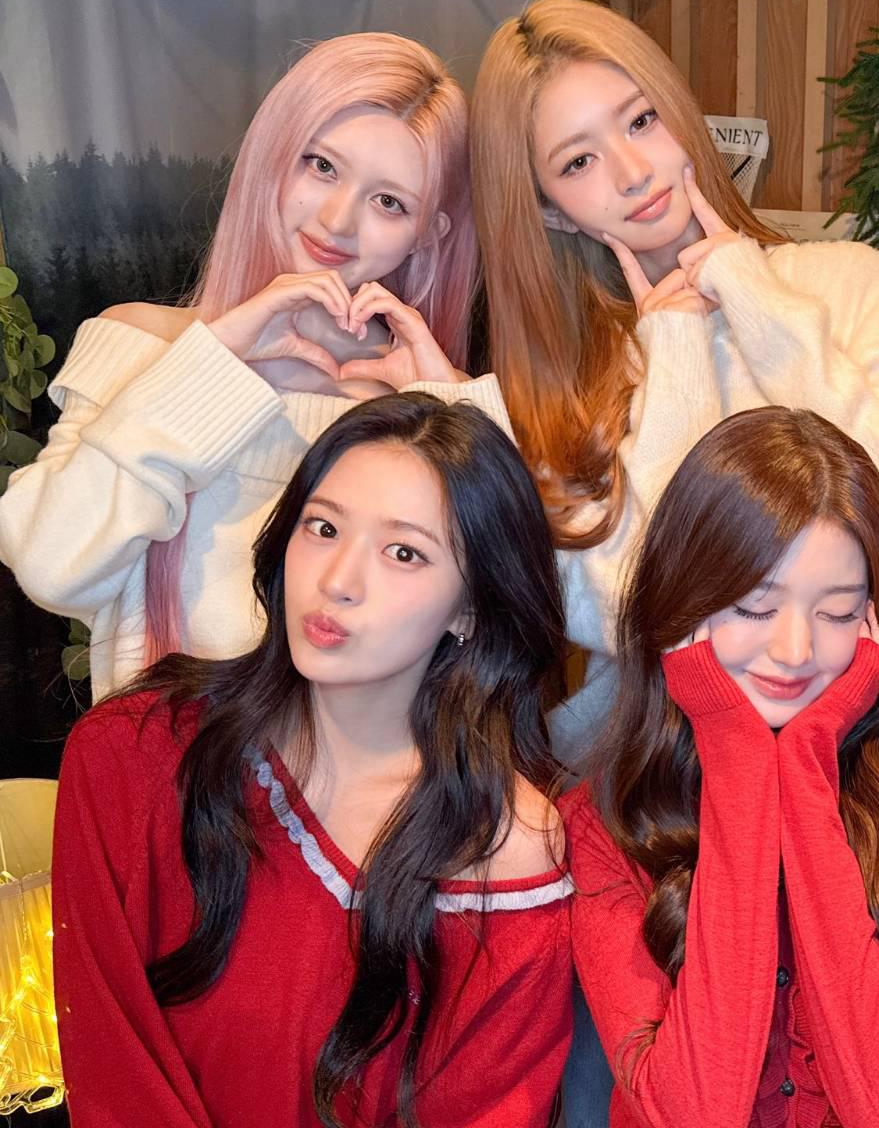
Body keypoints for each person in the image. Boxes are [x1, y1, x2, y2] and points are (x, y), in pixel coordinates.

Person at [53, 394, 574, 1127]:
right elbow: (112, 1071)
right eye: (322, 527)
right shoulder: (134, 753)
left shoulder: (508, 854)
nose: (337, 580)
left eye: (404, 553)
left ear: (471, 608)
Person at [470, 0, 879, 764]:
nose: (633, 172)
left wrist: (758, 303)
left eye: (641, 121)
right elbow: (626, 614)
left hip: (862, 766)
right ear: (552, 210)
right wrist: (676, 352)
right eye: (578, 162)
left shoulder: (848, 284)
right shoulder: (563, 385)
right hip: (652, 782)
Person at [0, 32, 501, 699]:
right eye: (321, 166)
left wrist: (454, 411)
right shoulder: (144, 346)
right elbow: (51, 567)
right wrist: (213, 363)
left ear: (427, 234)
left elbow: (507, 625)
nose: (337, 220)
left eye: (389, 202)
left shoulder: (428, 403)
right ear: (274, 155)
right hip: (166, 763)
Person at [563, 407, 879, 1127]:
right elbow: (690, 1114)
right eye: (753, 608)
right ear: (680, 606)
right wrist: (738, 757)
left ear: (877, 620)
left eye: (837, 613)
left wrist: (804, 760)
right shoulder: (602, 819)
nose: (795, 652)